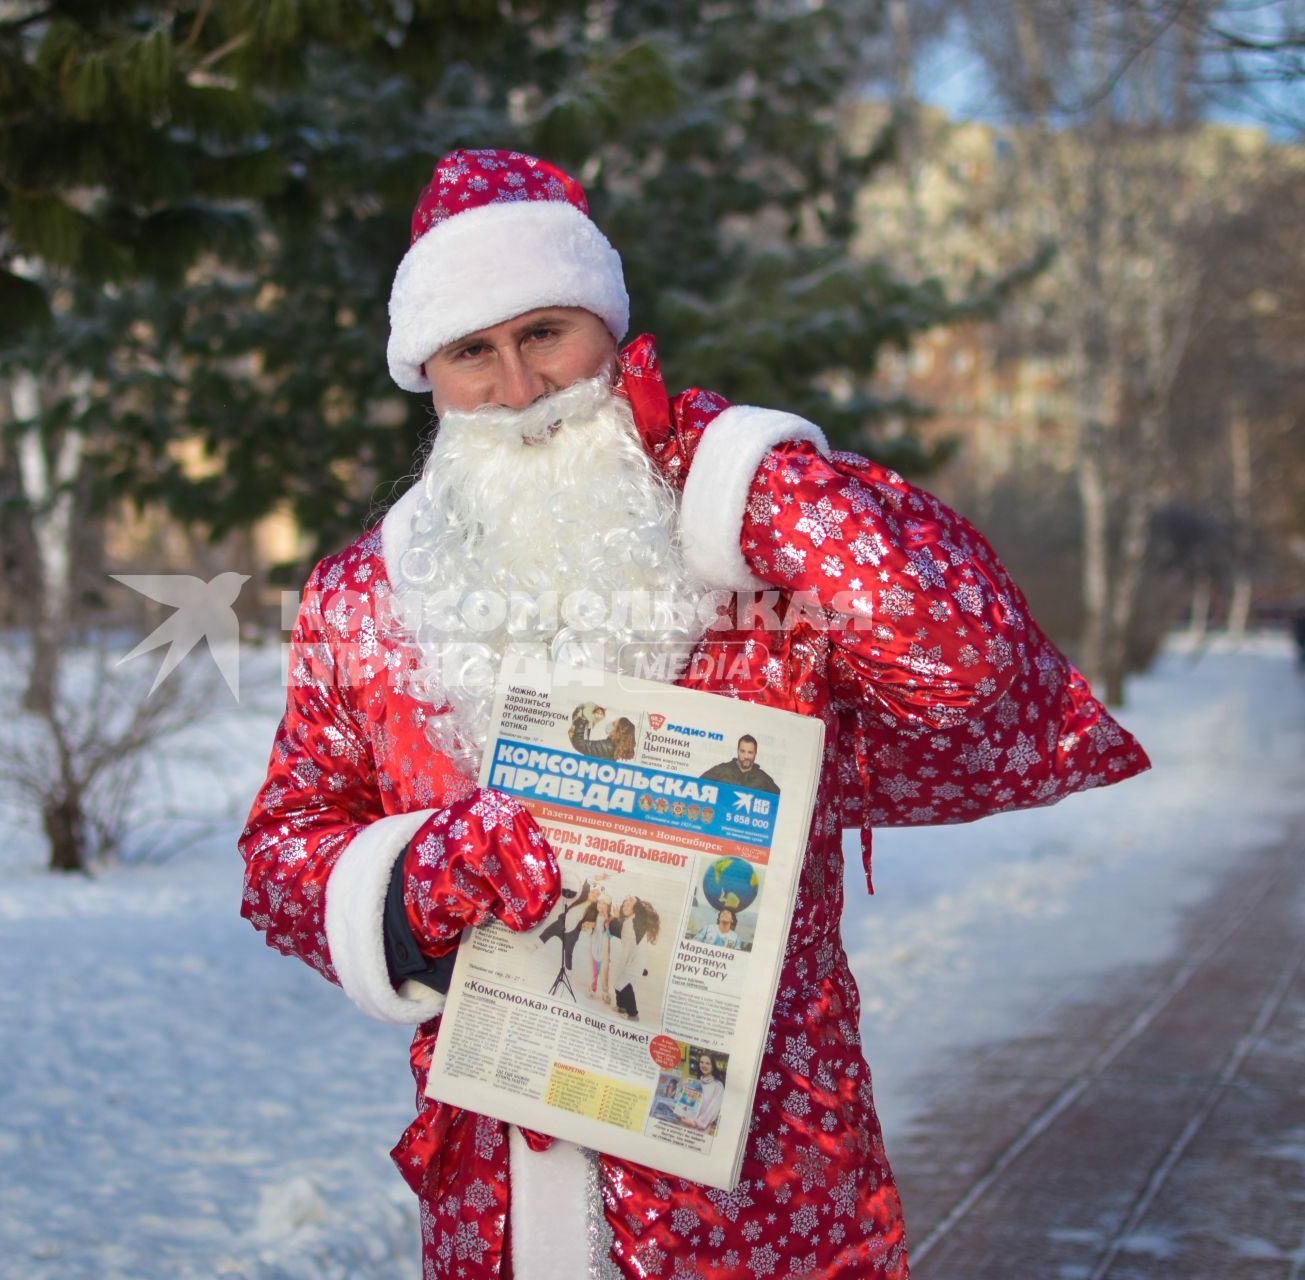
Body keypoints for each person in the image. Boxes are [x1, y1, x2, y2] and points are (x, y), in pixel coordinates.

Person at [238, 148, 1151, 1280]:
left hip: (762, 1185)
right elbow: (285, 849)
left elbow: (969, 669)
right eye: (473, 350)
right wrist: (418, 873)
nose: (519, 388)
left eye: (546, 333)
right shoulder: (364, 597)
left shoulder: (753, 560)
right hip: (504, 1188)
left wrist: (750, 476)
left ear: (611, 333)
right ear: (427, 371)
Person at [610, 897, 660, 1020]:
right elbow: (615, 931)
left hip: (636, 961)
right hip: (627, 959)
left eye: (630, 902)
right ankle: (621, 1006)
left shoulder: (638, 921)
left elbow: (641, 912)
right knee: (617, 983)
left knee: (625, 986)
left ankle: (633, 1014)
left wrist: (636, 901)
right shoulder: (627, 922)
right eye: (624, 903)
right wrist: (616, 918)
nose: (626, 904)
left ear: (637, 907)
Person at [700, 733, 780, 793]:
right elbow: (698, 785)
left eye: (750, 752)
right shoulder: (721, 770)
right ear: (738, 751)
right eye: (742, 751)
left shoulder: (763, 779)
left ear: (755, 753)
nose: (746, 756)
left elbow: (777, 801)